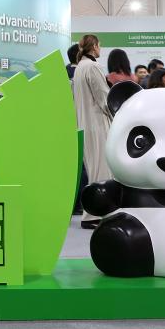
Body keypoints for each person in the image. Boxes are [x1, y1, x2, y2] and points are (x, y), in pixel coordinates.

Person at [72, 34, 112, 229]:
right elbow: (104, 98)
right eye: (99, 45)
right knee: (100, 170)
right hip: (97, 124)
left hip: (84, 123)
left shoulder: (80, 67)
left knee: (93, 169)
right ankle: (92, 215)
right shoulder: (92, 67)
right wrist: (116, 114)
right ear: (94, 46)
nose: (100, 48)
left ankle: (94, 212)